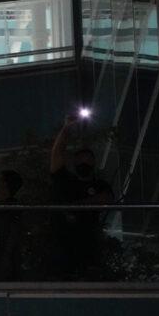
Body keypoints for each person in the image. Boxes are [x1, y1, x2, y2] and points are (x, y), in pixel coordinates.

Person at [48, 115, 114, 278]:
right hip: (63, 246)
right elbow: (57, 153)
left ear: (93, 164)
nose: (83, 164)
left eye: (87, 161)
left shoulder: (99, 185)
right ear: (74, 163)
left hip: (88, 246)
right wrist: (66, 129)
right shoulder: (66, 180)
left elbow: (105, 199)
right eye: (80, 161)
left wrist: (75, 206)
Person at [0, 169, 25, 281]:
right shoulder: (2, 207)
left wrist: (6, 257)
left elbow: (14, 232)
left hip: (4, 261)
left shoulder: (11, 207)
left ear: (5, 184)